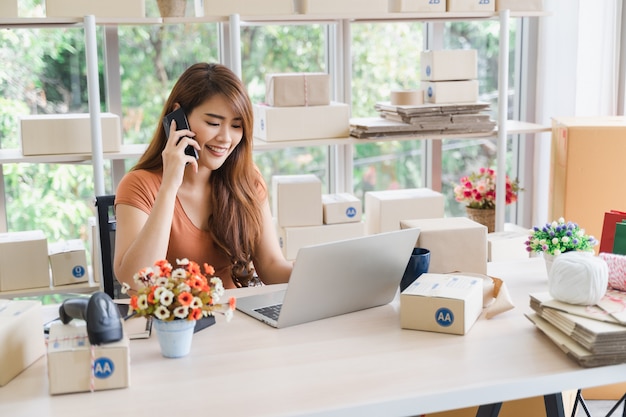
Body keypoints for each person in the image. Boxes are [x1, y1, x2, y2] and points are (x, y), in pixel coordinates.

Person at [114, 62, 293, 290]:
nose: (226, 138)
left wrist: (312, 272)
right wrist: (169, 185)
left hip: (238, 318)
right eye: (213, 123)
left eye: (237, 126)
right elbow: (137, 282)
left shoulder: (246, 179)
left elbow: (270, 266)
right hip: (176, 323)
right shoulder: (139, 185)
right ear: (178, 117)